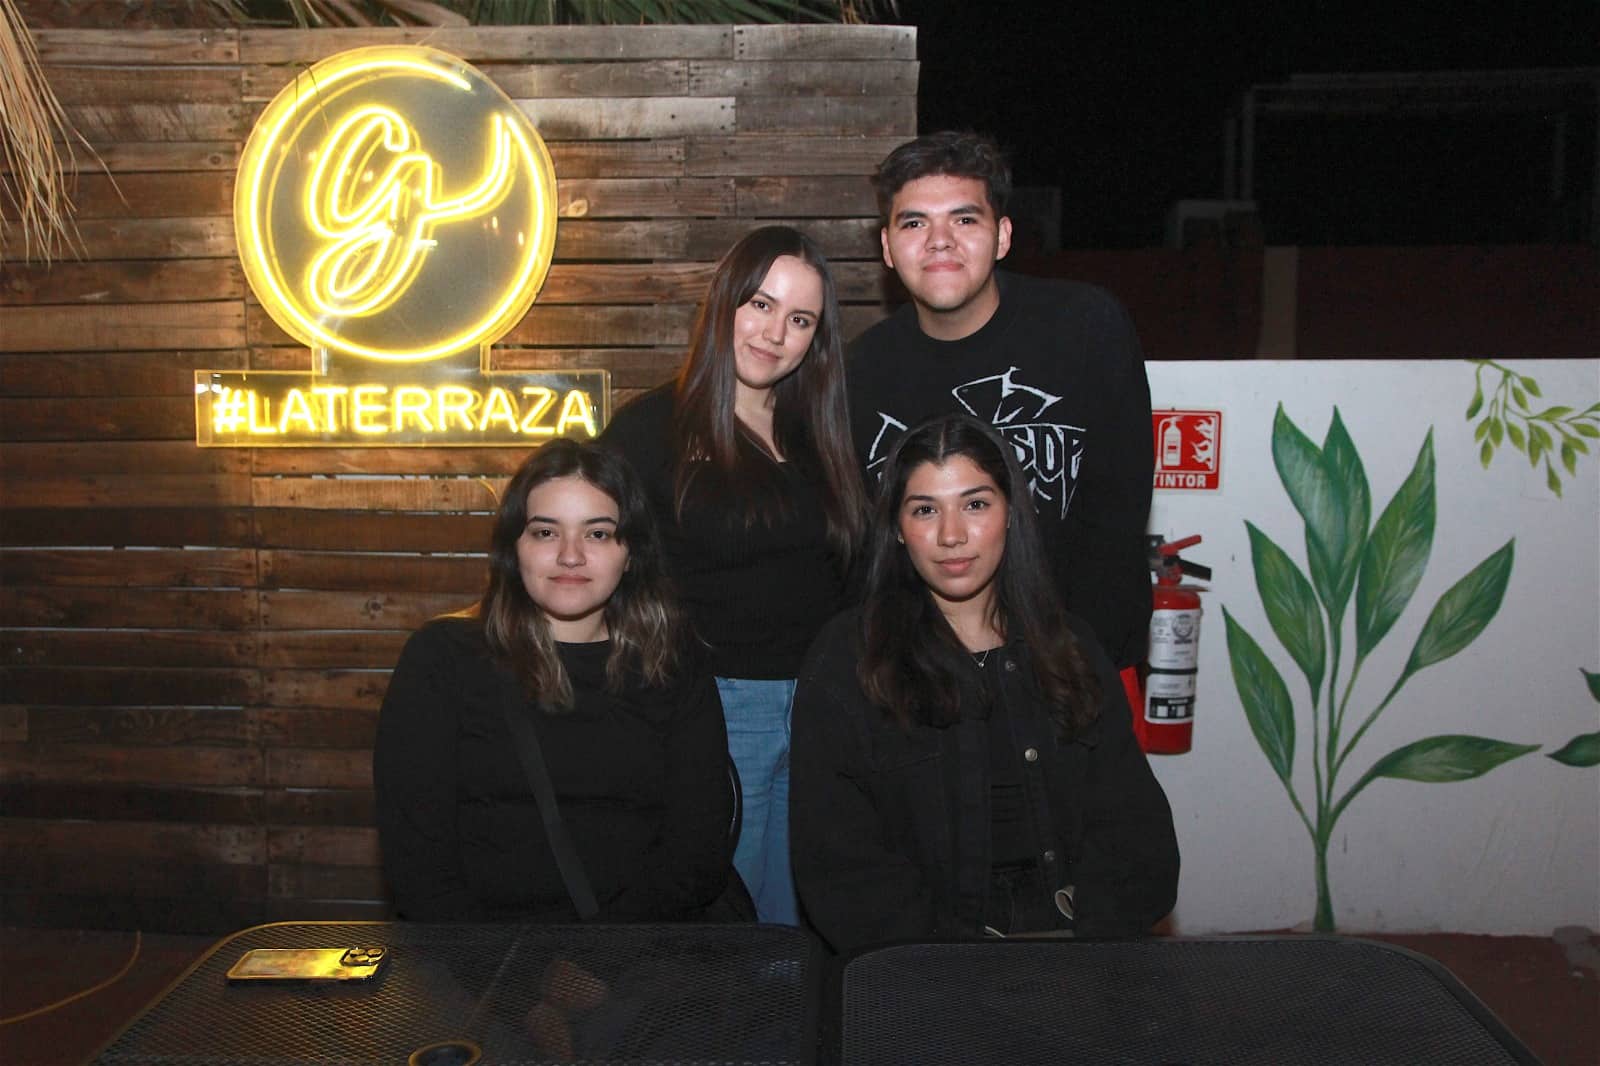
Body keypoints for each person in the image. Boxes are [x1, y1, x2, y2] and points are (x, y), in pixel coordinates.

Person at [791, 414, 1178, 954]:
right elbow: (840, 867)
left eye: (975, 504)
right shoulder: (847, 662)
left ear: (1012, 513)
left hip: (1079, 950)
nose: (952, 535)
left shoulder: (1072, 647)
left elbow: (1136, 835)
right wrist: (958, 967)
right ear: (898, 529)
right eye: (925, 510)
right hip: (920, 967)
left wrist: (1083, 947)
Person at [601, 225, 867, 925]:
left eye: (800, 318)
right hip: (716, 709)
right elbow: (603, 575)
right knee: (731, 920)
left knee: (807, 915)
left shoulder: (824, 432)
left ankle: (797, 1033)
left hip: (821, 706)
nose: (775, 332)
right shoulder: (651, 430)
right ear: (724, 304)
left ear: (816, 337)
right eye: (759, 304)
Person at [373, 440, 732, 922]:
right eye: (545, 532)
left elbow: (695, 856)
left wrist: (595, 971)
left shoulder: (672, 663)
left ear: (632, 553)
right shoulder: (443, 660)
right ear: (512, 549)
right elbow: (418, 863)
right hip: (474, 966)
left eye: (598, 534)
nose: (570, 556)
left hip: (637, 962)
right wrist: (508, 983)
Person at [848, 130, 1155, 670]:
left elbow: (1119, 515)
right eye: (914, 222)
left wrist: (1082, 669)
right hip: (929, 676)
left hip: (1079, 659)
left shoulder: (1085, 329)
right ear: (887, 249)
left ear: (1003, 236)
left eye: (964, 219)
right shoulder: (861, 372)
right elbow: (869, 556)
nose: (939, 239)